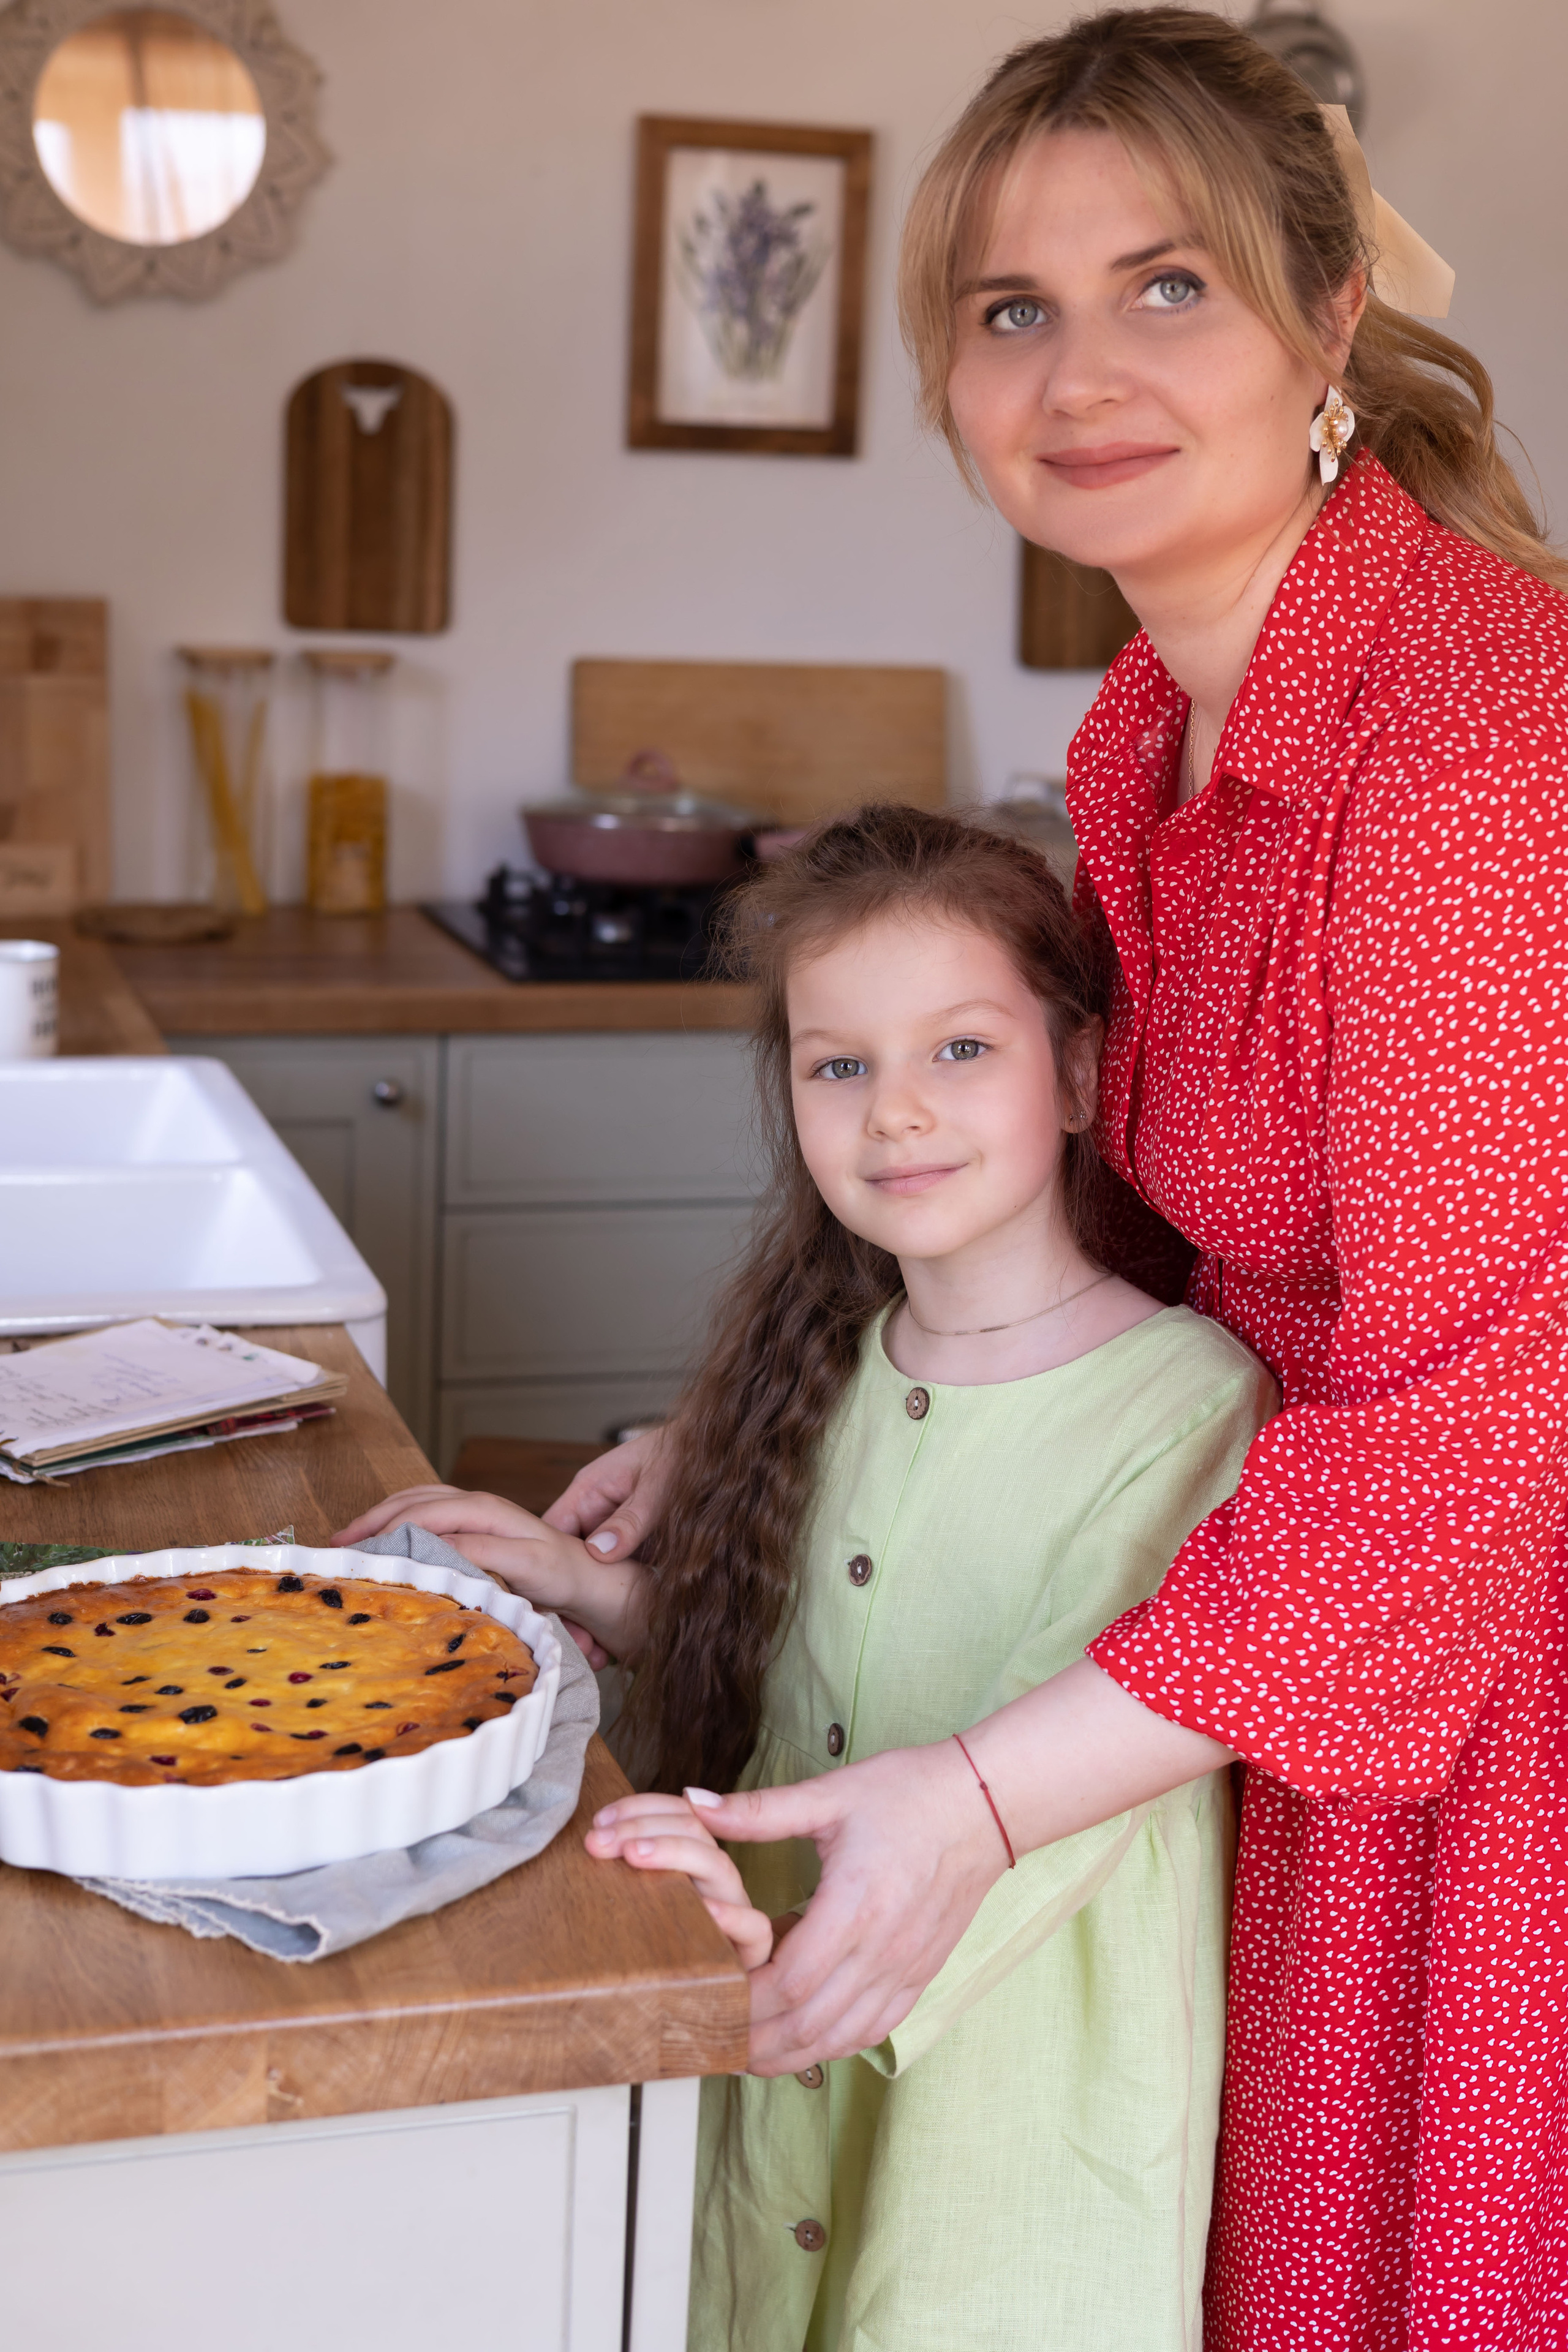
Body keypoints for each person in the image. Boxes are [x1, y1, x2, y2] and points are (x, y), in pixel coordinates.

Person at [545, 12, 1568, 2349]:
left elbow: (1471, 1436)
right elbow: (1135, 1225)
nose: (1081, 371)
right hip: (1259, 1649)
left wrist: (984, 1803)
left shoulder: (1484, 740)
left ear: (1327, 321)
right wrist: (768, 1456)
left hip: (1492, 1713)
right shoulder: (1146, 728)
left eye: (1167, 286)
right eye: (1014, 310)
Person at [339, 805, 1275, 2351]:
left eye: (959, 1049)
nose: (894, 1112)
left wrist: (778, 1945)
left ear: (1084, 1074)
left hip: (1008, 2127)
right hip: (767, 2059)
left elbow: (1058, 1796)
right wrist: (592, 1591)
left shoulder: (1182, 1401)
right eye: (840, 1065)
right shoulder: (824, 1364)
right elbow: (824, 1670)